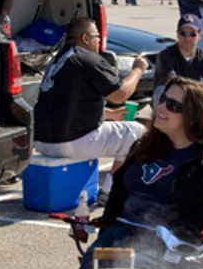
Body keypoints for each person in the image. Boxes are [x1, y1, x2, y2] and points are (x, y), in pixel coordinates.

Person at [78, 76, 203, 269]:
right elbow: (118, 195)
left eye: (173, 105)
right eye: (162, 99)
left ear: (194, 116)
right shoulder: (146, 146)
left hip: (175, 244)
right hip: (123, 232)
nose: (161, 107)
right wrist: (106, 229)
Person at [33, 16, 148, 196]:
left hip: (42, 140)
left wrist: (108, 114)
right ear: (86, 38)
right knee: (138, 132)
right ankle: (110, 190)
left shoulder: (58, 60)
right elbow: (121, 94)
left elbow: (67, 102)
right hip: (71, 142)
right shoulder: (87, 59)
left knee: (118, 130)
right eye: (97, 36)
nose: (100, 40)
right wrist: (138, 69)